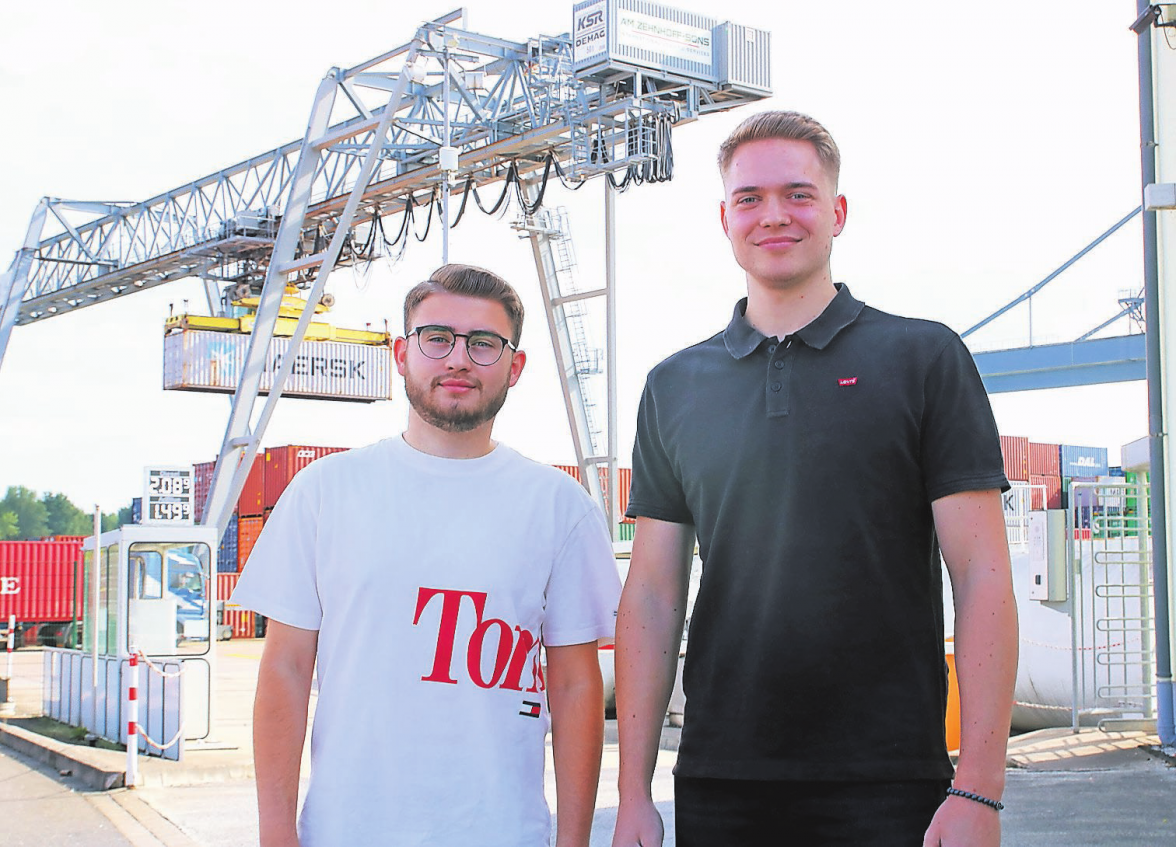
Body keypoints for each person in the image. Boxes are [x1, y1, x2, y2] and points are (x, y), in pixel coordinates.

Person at [611, 111, 1018, 847]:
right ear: (725, 218)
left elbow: (983, 573)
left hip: (891, 781)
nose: (773, 215)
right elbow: (651, 592)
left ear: (835, 213)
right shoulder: (674, 385)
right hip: (720, 779)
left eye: (797, 195)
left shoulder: (924, 358)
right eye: (749, 198)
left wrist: (980, 789)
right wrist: (632, 792)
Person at [233, 264, 622, 847]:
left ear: (515, 367)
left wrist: (573, 841)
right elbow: (285, 672)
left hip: (503, 832)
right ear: (401, 354)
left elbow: (574, 687)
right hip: (346, 832)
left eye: (483, 344)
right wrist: (274, 834)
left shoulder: (559, 508)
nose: (458, 359)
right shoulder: (323, 492)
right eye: (437, 338)